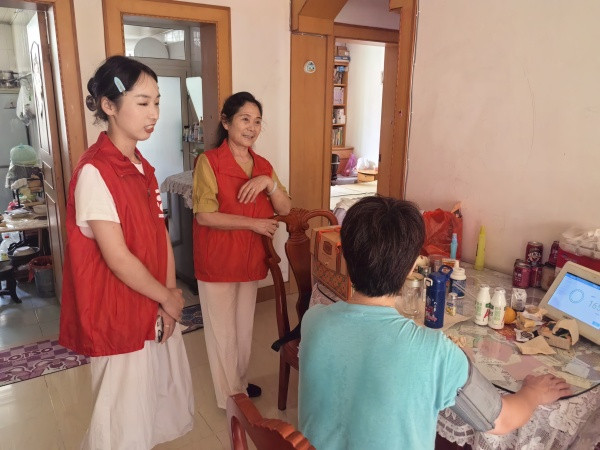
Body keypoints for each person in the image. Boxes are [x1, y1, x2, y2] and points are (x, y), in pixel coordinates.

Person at [298, 196, 571, 450]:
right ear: (411, 267)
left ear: (344, 255)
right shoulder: (436, 353)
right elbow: (501, 420)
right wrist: (532, 393)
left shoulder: (314, 319)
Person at [58, 55, 194, 449]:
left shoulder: (141, 166)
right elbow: (117, 258)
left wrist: (169, 298)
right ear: (109, 105)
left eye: (157, 102)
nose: (154, 113)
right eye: (143, 102)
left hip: (150, 303)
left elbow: (159, 235)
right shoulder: (95, 172)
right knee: (120, 422)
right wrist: (165, 295)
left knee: (149, 409)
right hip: (117, 312)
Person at [192, 91, 291, 409]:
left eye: (257, 121)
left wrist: (268, 184)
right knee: (222, 332)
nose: (252, 127)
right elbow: (205, 215)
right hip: (218, 259)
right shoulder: (209, 162)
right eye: (245, 119)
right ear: (226, 122)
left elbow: (285, 208)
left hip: (250, 259)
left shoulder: (263, 166)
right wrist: (254, 224)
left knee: (243, 330)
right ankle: (231, 399)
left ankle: (238, 385)